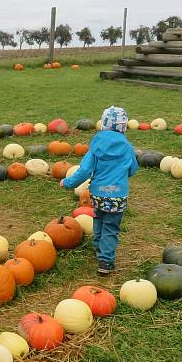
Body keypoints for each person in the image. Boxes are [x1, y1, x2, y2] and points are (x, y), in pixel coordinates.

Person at [60, 106, 138, 275]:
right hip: (118, 196)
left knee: (99, 218)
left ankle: (98, 246)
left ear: (104, 124)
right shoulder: (127, 147)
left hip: (98, 194)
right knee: (111, 227)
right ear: (123, 127)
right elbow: (132, 169)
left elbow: (84, 170)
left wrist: (68, 182)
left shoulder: (97, 145)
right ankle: (106, 261)